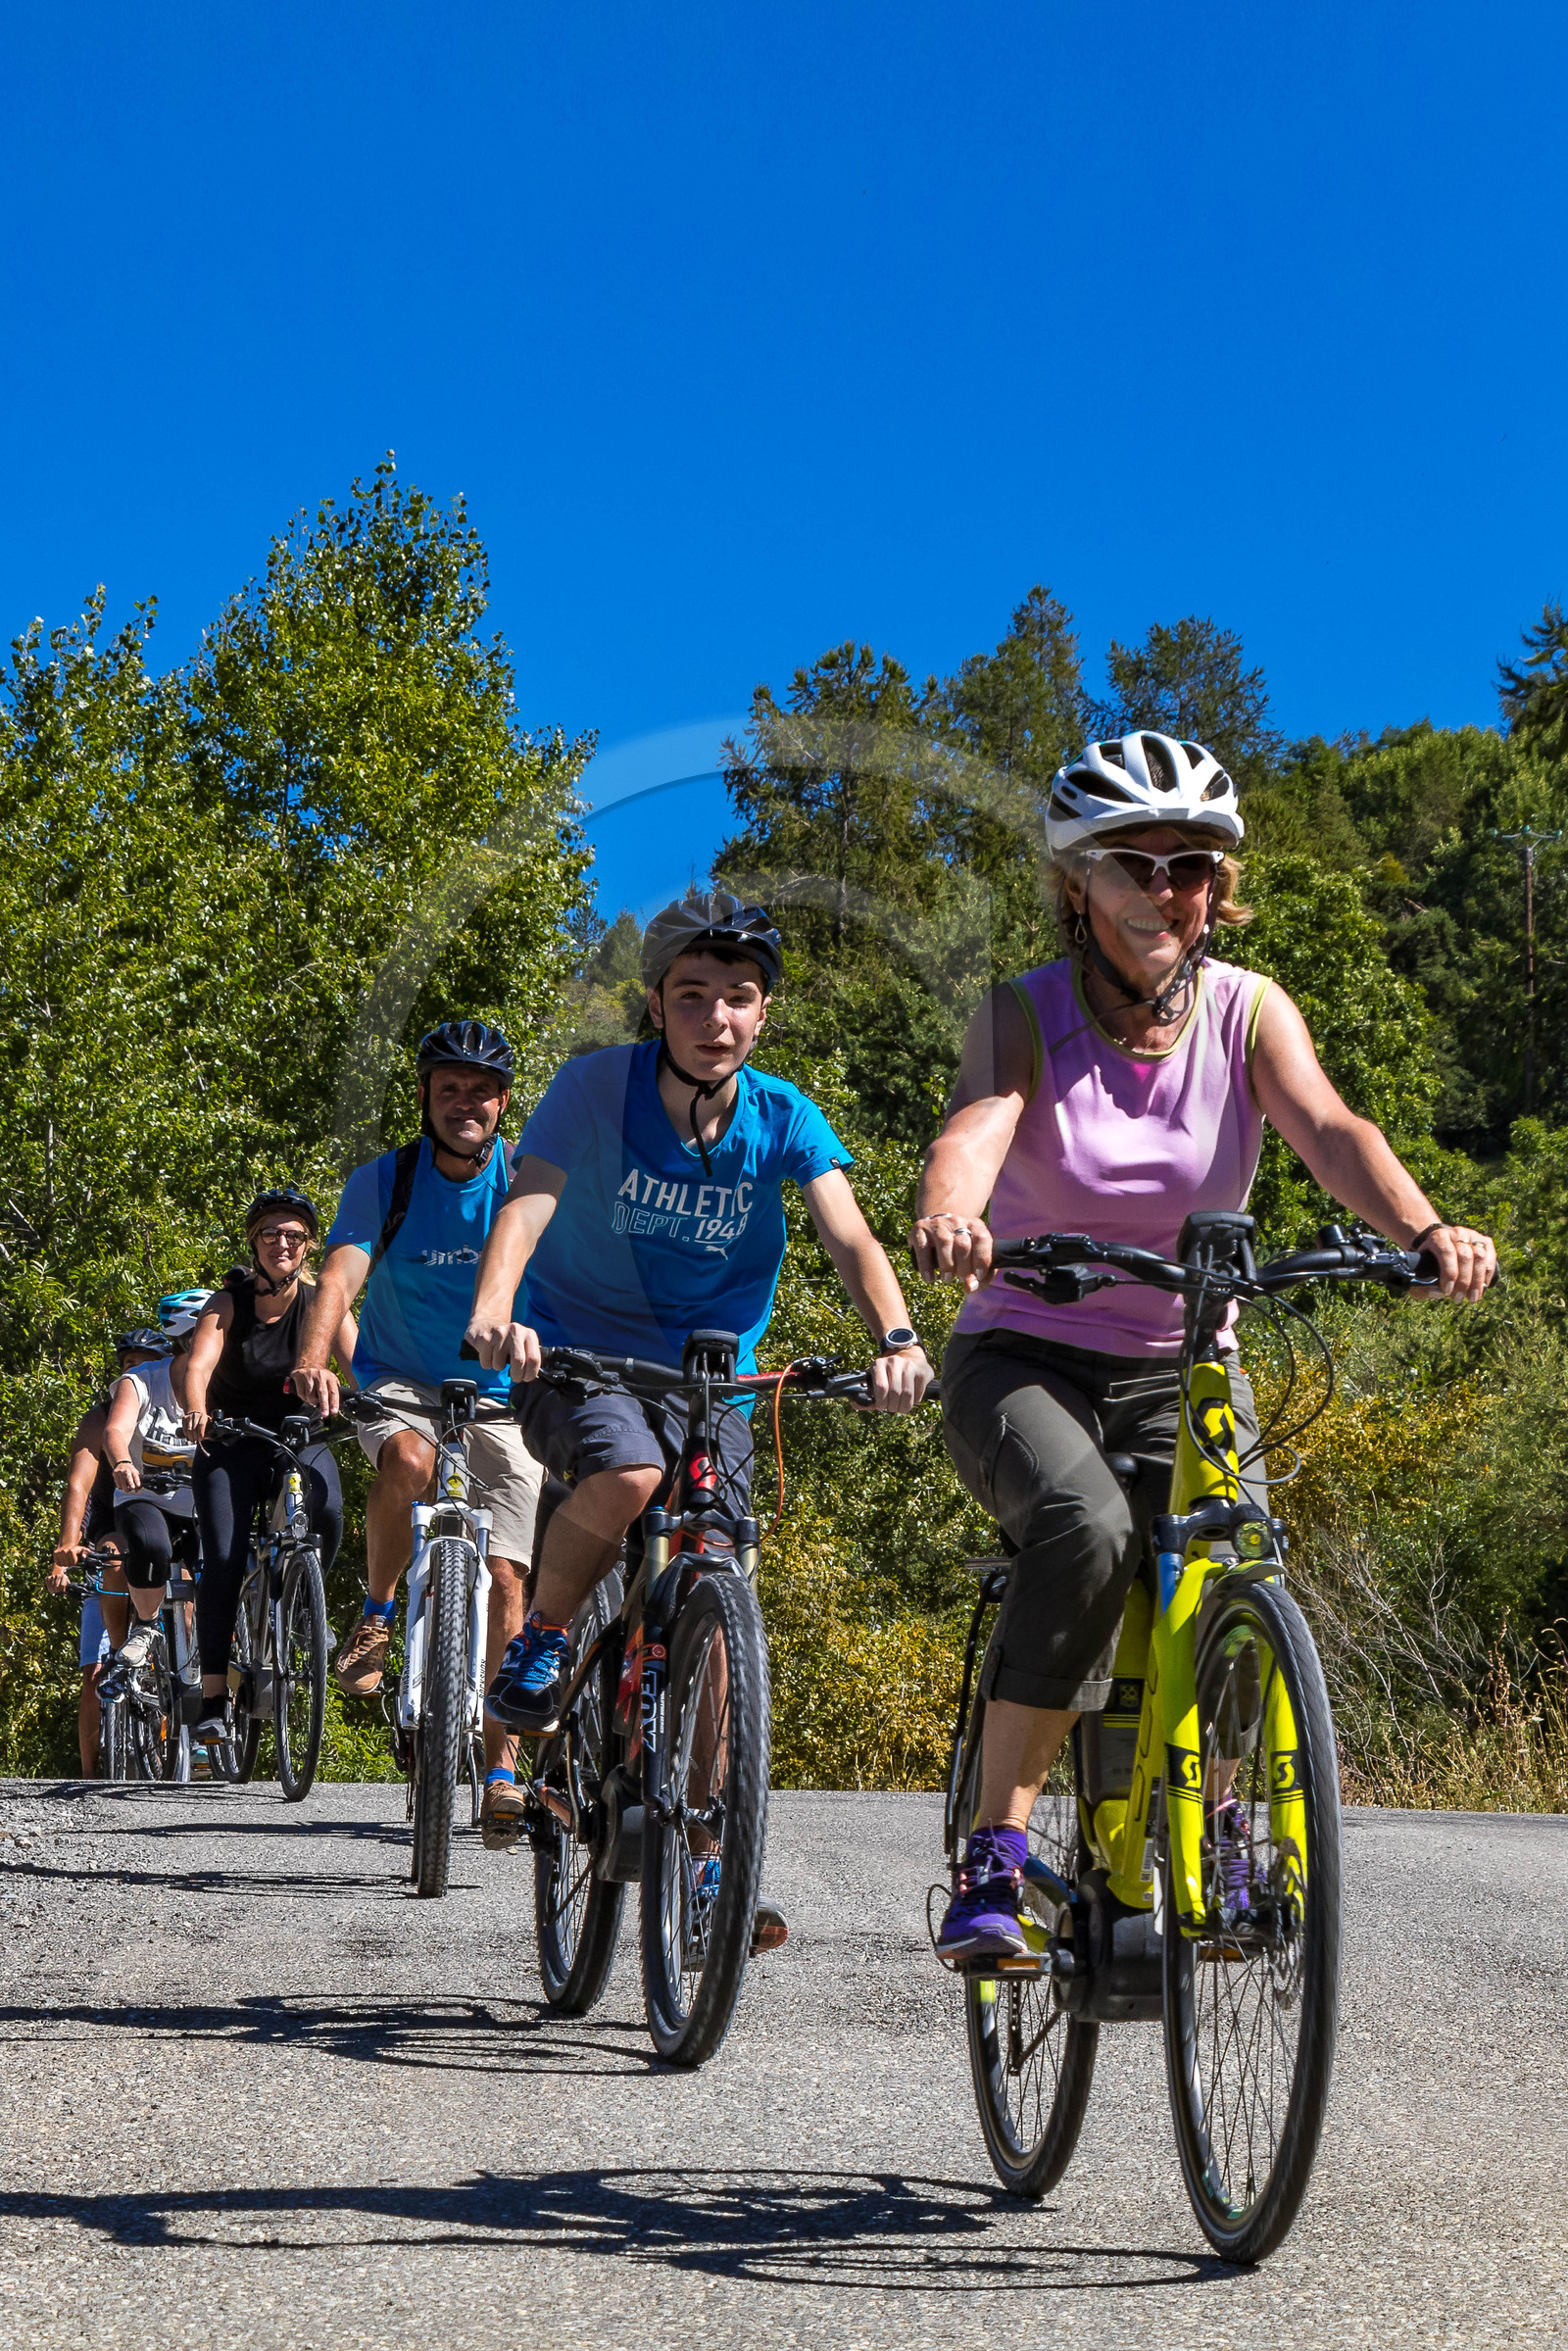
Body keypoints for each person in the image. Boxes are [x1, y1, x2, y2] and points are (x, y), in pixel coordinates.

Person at [912, 730, 1496, 1960]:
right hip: (1023, 1350)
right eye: (1130, 863)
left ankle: (1222, 1834)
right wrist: (955, 1210)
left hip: (1183, 1357)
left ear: (1216, 885)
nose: (1161, 889)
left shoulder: (1247, 1009)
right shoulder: (1023, 1010)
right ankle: (994, 1853)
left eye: (1187, 866)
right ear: (1077, 882)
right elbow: (982, 1116)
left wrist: (1424, 1227)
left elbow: (1328, 1125)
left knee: (1237, 1562)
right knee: (1085, 1525)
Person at [465, 891, 935, 1791]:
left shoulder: (784, 1115)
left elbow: (849, 1236)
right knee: (630, 1471)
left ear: (763, 1013)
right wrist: (494, 1308)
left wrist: (899, 1339)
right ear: (655, 1004)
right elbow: (526, 1205)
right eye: (691, 994)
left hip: (713, 1379)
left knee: (719, 1578)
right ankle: (545, 1634)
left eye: (738, 996)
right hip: (576, 1356)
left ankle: (716, 1836)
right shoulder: (593, 1089)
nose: (715, 1017)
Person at [289, 1019, 544, 1849]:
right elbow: (339, 1276)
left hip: (502, 1392)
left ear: (503, 1102)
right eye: (450, 1088)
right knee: (408, 1457)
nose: (465, 1102)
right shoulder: (386, 1179)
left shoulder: (527, 1179)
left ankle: (501, 1772)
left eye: (481, 1090)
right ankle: (375, 1613)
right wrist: (313, 1357)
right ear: (427, 1096)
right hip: (400, 1379)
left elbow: (571, 1277)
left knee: (507, 1576)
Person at [183, 1187, 358, 1747]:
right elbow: (198, 1364)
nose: (282, 1244)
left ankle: (305, 1605)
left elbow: (360, 1366)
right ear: (254, 1242)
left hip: (298, 1439)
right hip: (230, 1442)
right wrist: (196, 1410)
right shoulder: (227, 1302)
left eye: (294, 1236)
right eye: (271, 1234)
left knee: (327, 1510)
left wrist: (375, 1405)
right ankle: (214, 1697)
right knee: (224, 1559)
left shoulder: (321, 1302)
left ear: (308, 1246)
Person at [47, 1329, 166, 1774]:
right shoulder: (100, 1418)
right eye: (127, 1364)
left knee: (187, 1591)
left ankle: (184, 1730)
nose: (133, 1371)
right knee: (93, 1675)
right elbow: (78, 1484)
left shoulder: (171, 1409)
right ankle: (91, 1778)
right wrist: (65, 1548)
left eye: (143, 1363)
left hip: (167, 1528)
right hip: (113, 1528)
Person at [100, 1292, 211, 1668]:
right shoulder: (141, 1380)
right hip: (146, 1496)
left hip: (203, 1502)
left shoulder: (225, 1384)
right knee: (150, 1545)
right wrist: (122, 1462)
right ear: (189, 1340)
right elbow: (115, 1430)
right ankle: (146, 1626)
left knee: (229, 1565)